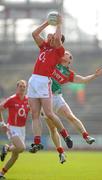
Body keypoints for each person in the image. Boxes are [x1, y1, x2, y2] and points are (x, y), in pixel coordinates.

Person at [43, 51, 102, 163]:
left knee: (70, 116)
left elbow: (83, 80)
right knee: (52, 128)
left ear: (69, 59)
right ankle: (61, 152)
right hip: (44, 97)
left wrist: (95, 75)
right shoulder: (54, 62)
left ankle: (86, 136)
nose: (64, 53)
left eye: (66, 53)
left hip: (56, 97)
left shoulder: (68, 73)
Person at [27, 14, 73, 153]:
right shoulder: (44, 47)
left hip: (43, 81)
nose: (51, 36)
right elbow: (34, 33)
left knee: (49, 113)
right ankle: (37, 142)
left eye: (53, 36)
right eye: (51, 35)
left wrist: (58, 24)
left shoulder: (59, 51)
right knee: (34, 114)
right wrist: (47, 22)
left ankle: (65, 135)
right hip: (33, 80)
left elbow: (58, 39)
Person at [0, 80, 30, 179]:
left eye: (24, 86)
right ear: (17, 87)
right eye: (20, 86)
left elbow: (34, 110)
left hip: (22, 129)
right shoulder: (12, 99)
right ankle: (7, 148)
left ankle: (1, 174)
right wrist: (2, 123)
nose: (22, 88)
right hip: (12, 127)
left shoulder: (28, 100)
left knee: (15, 156)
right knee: (21, 148)